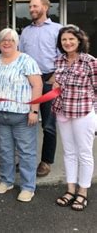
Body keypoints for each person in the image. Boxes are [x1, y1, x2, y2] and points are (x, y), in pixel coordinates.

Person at [0, 28, 42, 203]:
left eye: (11, 40)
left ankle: (28, 187)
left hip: (23, 116)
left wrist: (34, 110)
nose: (7, 43)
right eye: (3, 40)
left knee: (26, 152)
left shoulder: (26, 60)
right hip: (0, 115)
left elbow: (37, 86)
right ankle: (7, 180)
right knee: (5, 150)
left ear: (16, 42)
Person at [53, 25, 96, 211]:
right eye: (64, 40)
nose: (67, 43)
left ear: (79, 40)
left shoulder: (90, 61)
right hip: (62, 112)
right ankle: (70, 189)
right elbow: (57, 85)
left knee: (84, 153)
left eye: (71, 39)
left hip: (83, 113)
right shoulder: (59, 61)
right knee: (69, 152)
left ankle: (82, 192)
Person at [19, 0, 62, 177]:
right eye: (30, 7)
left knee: (49, 125)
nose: (31, 9)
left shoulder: (58, 30)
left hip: (49, 80)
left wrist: (54, 79)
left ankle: (46, 161)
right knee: (25, 123)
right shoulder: (25, 32)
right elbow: (20, 56)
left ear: (45, 7)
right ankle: (26, 159)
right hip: (28, 81)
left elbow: (64, 56)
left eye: (35, 6)